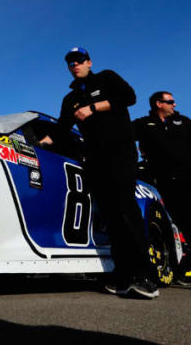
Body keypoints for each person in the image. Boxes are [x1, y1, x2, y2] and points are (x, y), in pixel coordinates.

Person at [42, 47, 158, 299]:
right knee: (111, 218)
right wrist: (43, 142)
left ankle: (146, 275)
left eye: (79, 60)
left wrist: (93, 108)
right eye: (71, 62)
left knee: (127, 211)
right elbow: (62, 128)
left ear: (89, 62)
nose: (75, 64)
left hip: (120, 154)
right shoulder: (69, 98)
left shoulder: (106, 78)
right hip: (94, 161)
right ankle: (124, 275)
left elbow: (129, 97)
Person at [133, 92, 191, 291]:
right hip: (169, 183)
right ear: (159, 104)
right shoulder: (144, 124)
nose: (174, 104)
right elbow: (121, 135)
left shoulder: (184, 121)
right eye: (170, 101)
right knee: (188, 229)